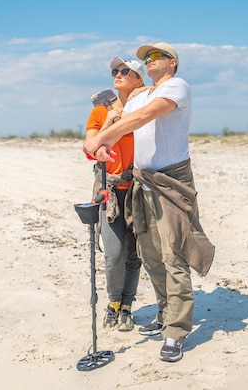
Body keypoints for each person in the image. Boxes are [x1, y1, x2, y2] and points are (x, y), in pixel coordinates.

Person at [83, 42, 214, 362]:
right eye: (146, 58)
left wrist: (104, 137)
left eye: (157, 57)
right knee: (151, 255)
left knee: (174, 255)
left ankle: (176, 331)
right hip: (142, 181)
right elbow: (119, 116)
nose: (150, 60)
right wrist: (100, 138)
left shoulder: (176, 87)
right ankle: (165, 313)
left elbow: (144, 116)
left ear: (172, 64)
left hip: (171, 180)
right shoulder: (140, 94)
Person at [84, 57, 146, 331]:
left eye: (125, 71)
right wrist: (109, 121)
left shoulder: (145, 110)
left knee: (135, 255)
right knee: (114, 254)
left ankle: (128, 306)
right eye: (114, 71)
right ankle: (113, 302)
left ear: (139, 79)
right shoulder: (100, 112)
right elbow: (88, 147)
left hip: (139, 190)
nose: (117, 74)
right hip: (109, 192)